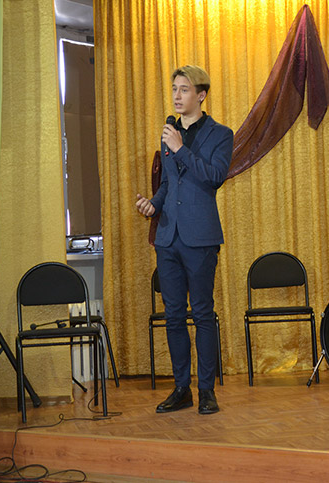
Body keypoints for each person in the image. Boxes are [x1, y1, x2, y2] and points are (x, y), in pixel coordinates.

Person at [136, 65, 233, 415]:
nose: (177, 96)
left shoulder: (221, 134)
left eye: (184, 89)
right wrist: (153, 204)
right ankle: (182, 389)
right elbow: (167, 184)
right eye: (174, 89)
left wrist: (179, 149)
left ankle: (206, 390)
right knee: (174, 316)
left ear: (201, 95)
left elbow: (214, 176)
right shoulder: (169, 133)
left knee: (202, 314)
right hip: (168, 238)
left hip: (201, 237)